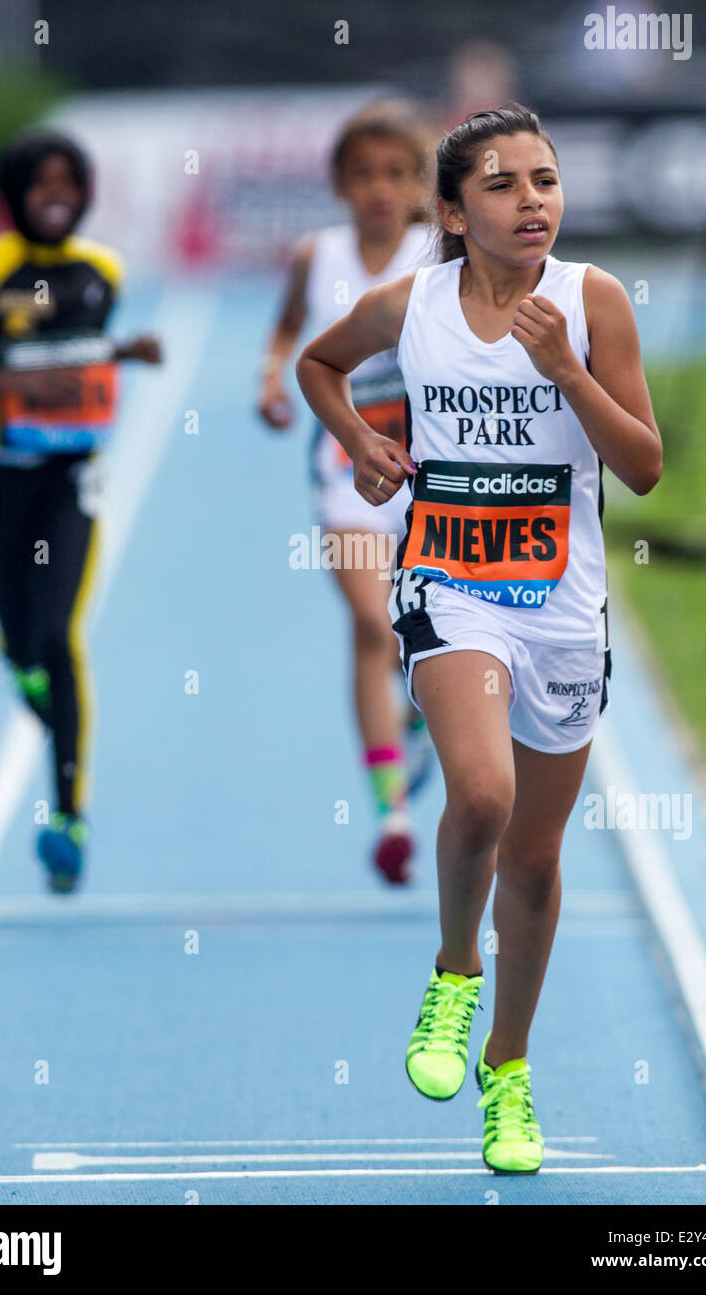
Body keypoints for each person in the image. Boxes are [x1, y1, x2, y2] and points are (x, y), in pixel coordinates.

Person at [296, 104, 661, 1171]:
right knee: (483, 796)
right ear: (451, 212)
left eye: (544, 181)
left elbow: (639, 467)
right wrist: (362, 441)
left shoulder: (590, 302)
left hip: (560, 601)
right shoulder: (408, 306)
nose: (531, 201)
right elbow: (320, 365)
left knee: (537, 864)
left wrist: (568, 372)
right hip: (447, 584)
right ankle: (453, 975)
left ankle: (508, 1063)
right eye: (502, 185)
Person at [0, 130, 162, 893]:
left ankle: (68, 813)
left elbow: (74, 352)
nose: (55, 196)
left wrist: (123, 354)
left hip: (71, 481)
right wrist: (10, 392)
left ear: (84, 192)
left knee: (60, 637)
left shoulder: (103, 270)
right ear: (16, 192)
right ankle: (25, 675)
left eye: (68, 183)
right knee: (21, 650)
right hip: (2, 480)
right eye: (39, 184)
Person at [258, 101, 435, 884]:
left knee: (426, 632)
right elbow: (287, 329)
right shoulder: (316, 255)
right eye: (362, 174)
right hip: (347, 467)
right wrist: (271, 379)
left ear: (422, 184)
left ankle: (427, 707)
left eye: (396, 173)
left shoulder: (442, 252)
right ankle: (392, 808)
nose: (378, 189)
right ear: (337, 183)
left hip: (437, 470)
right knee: (373, 624)